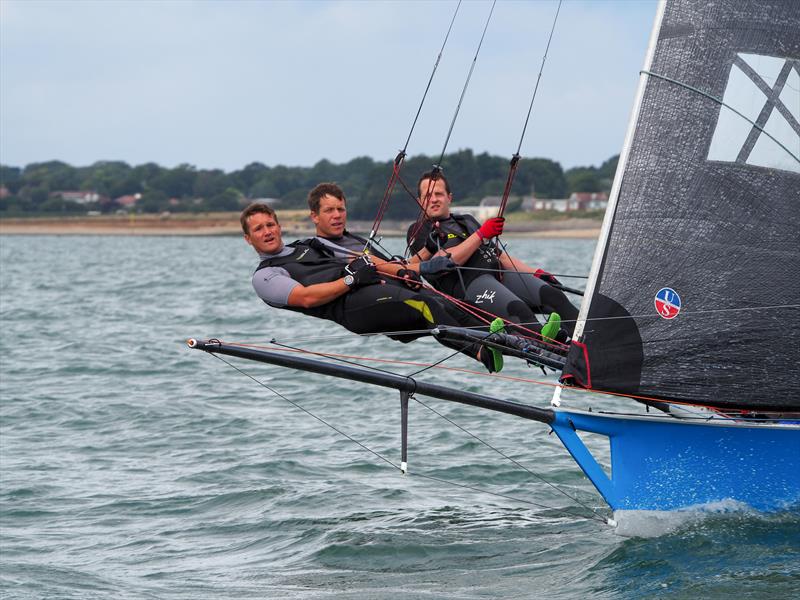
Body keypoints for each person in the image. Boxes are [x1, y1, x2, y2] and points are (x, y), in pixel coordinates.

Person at [241, 198, 514, 372]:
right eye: (259, 229)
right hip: (353, 309)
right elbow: (307, 298)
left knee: (444, 301)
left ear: (278, 227)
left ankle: (521, 345)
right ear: (248, 238)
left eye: (270, 225)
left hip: (378, 290)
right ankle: (481, 352)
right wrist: (350, 280)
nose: (267, 232)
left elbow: (371, 262)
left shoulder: (311, 244)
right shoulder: (265, 275)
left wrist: (412, 270)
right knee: (424, 304)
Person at [406, 171, 579, 338]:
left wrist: (536, 272)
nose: (434, 200)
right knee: (518, 311)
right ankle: (549, 346)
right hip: (471, 286)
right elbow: (447, 261)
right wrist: (480, 235)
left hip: (499, 274)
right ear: (420, 201)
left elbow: (501, 257)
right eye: (428, 196)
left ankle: (589, 340)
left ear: (449, 197)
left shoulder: (466, 220)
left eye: (439, 194)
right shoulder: (418, 230)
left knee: (553, 296)